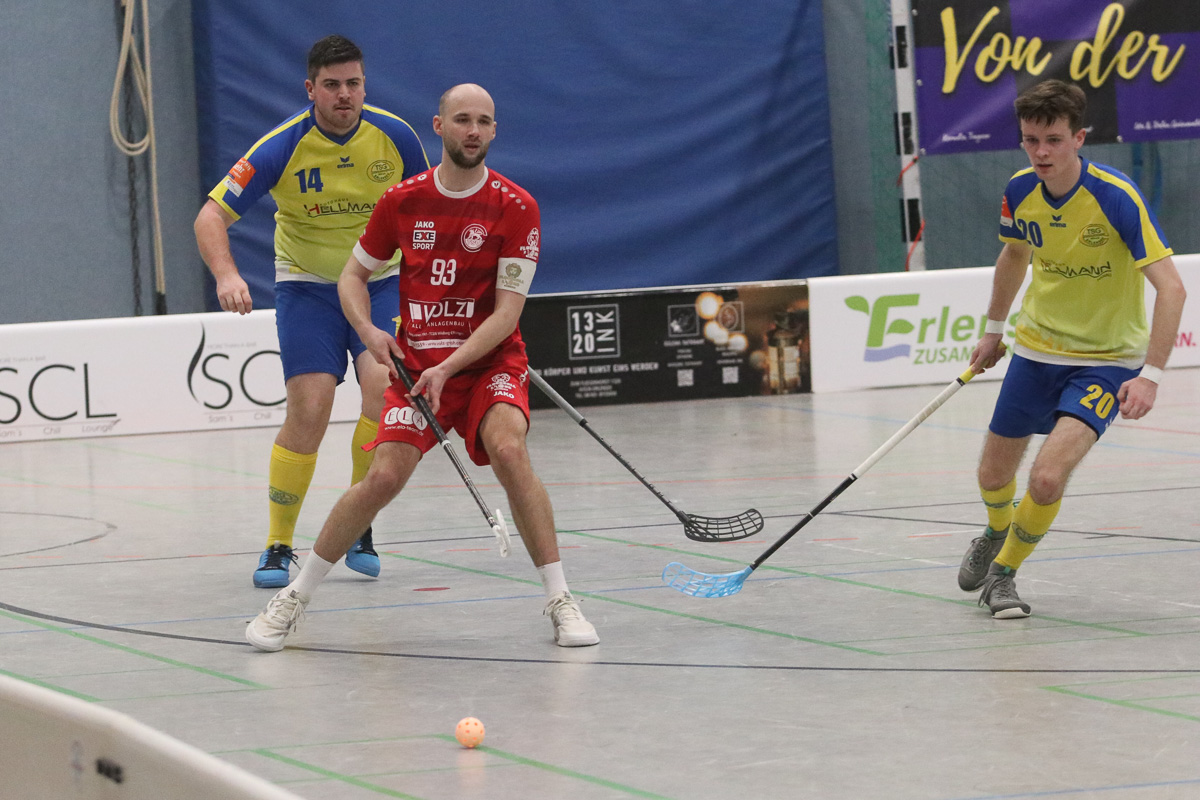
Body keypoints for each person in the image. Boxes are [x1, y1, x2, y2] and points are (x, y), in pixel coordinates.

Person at [245, 83, 599, 650]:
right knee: (383, 476)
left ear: (494, 130)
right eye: (462, 120)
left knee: (509, 450)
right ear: (439, 126)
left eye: (484, 121)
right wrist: (368, 332)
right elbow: (352, 276)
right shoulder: (402, 200)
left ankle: (561, 599)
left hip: (487, 364)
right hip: (417, 369)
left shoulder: (517, 207)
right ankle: (294, 597)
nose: (473, 131)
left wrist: (449, 366)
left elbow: (507, 315)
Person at [194, 35, 429, 588]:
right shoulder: (281, 146)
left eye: (353, 83)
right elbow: (210, 217)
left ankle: (358, 522)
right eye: (332, 85)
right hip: (308, 289)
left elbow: (432, 210)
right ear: (310, 89)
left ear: (364, 86)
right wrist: (227, 275)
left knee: (381, 392)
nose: (344, 94)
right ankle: (278, 543)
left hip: (379, 284)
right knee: (310, 408)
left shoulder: (396, 136)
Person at [958, 79, 1186, 618]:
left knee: (1045, 477)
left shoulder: (1116, 196)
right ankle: (996, 530)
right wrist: (993, 330)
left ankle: (1003, 575)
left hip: (1107, 361)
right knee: (992, 477)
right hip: (1036, 351)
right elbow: (1014, 256)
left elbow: (1173, 288)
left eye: (1054, 140)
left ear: (1079, 138)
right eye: (1031, 140)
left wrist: (1150, 375)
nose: (1041, 152)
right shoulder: (1020, 190)